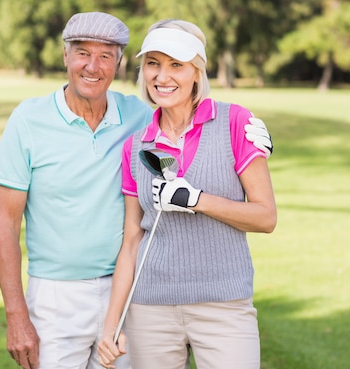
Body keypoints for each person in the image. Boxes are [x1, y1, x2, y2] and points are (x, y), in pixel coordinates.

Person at [0, 12, 273, 369]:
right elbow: (7, 224)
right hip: (67, 295)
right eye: (82, 53)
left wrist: (251, 140)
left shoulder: (145, 120)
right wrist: (16, 315)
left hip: (140, 294)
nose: (93, 66)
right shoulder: (40, 123)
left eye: (106, 56)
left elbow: (259, 209)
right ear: (65, 56)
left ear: (119, 63)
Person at [97, 19, 277, 369]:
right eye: (153, 64)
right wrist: (110, 324)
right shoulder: (136, 147)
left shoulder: (235, 123)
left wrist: (196, 200)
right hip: (150, 309)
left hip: (224, 305)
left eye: (176, 65)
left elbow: (265, 217)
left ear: (197, 71)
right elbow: (132, 241)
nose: (162, 77)